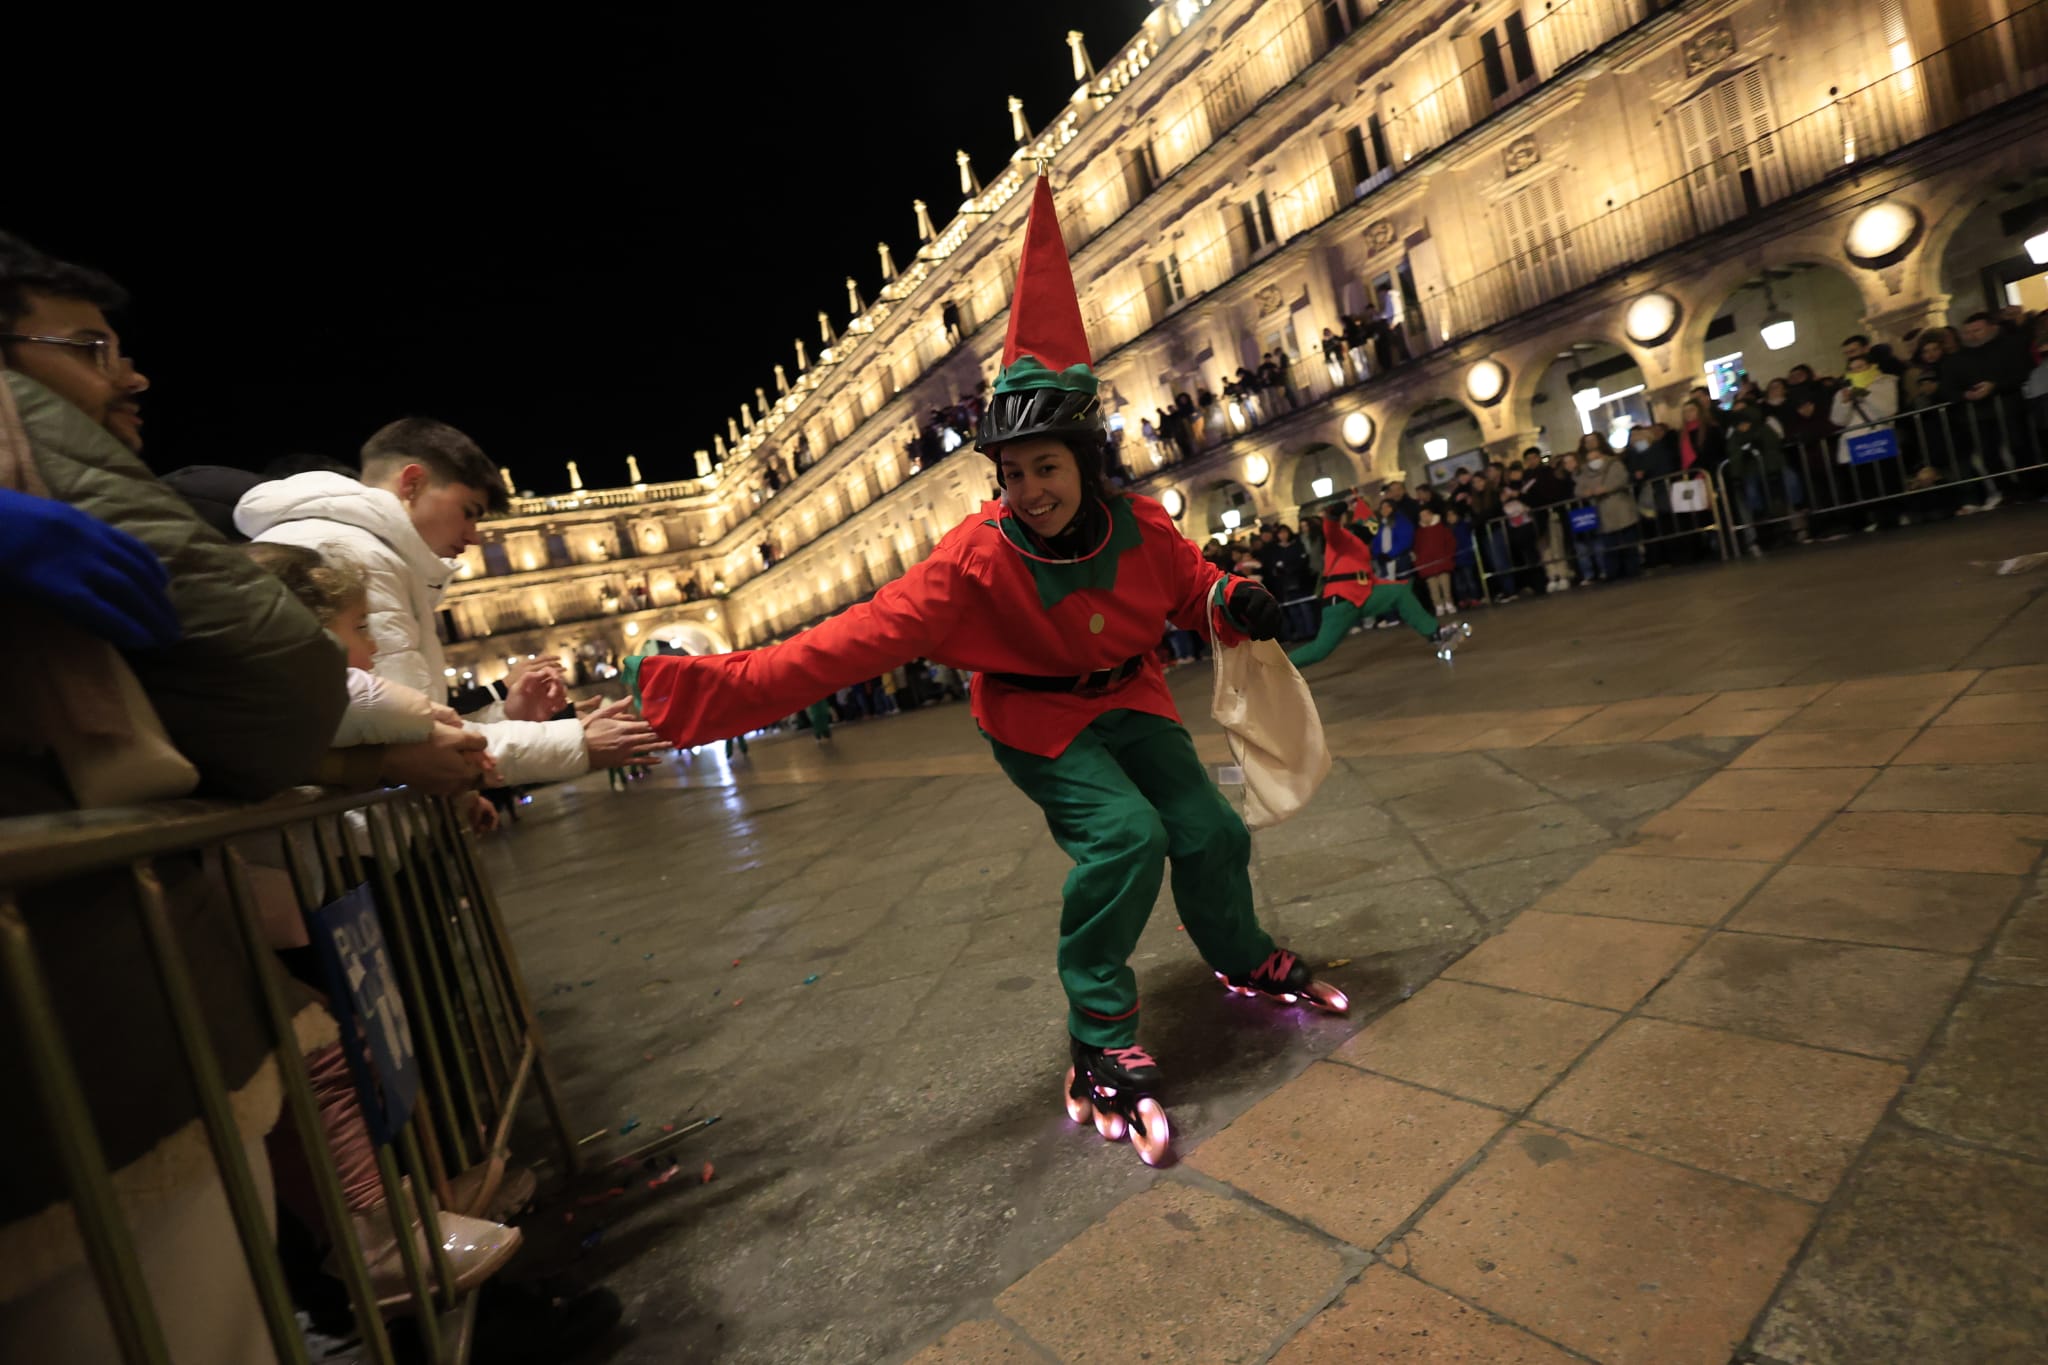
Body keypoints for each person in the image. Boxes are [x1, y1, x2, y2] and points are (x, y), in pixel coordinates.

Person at [631, 179, 1346, 1167]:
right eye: (1008, 475)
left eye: (1043, 468)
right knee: (1126, 837)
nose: (1026, 491)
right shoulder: (972, 561)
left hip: (1127, 696)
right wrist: (693, 692)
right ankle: (1098, 1040)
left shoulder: (1140, 525)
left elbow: (1191, 593)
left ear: (1083, 464)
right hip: (1038, 722)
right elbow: (834, 649)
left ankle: (1237, 956)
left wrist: (1235, 601)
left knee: (1208, 826)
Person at [1, 232, 356, 1365]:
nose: (131, 375)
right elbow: (267, 670)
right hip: (77, 1012)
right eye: (93, 347)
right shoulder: (29, 438)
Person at [235, 419, 664, 786]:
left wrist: (510, 714)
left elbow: (411, 724)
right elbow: (409, 743)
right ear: (413, 483)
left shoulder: (377, 555)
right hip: (351, 852)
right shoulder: (358, 555)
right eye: (469, 511)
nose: (475, 536)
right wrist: (574, 742)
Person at [1287, 490, 1466, 666]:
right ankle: (1274, 668)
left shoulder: (1363, 549)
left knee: (1399, 593)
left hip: (1360, 598)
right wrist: (1333, 516)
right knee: (1320, 650)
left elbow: (1369, 580)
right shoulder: (1346, 539)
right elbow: (1332, 532)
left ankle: (1435, 633)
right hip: (1340, 602)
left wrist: (1399, 585)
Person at [1830, 354, 1903, 531]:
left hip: (1878, 436)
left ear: (1870, 366)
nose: (1857, 371)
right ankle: (1875, 518)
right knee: (1865, 483)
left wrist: (1865, 393)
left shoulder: (1884, 382)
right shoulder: (1842, 391)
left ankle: (1894, 515)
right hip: (1857, 442)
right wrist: (1845, 402)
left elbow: (1888, 409)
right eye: (1852, 368)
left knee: (1887, 479)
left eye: (1860, 367)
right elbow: (1838, 419)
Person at [1575, 436, 1640, 580]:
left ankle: (1632, 569)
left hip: (1620, 508)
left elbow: (1621, 479)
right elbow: (1579, 488)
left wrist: (1605, 488)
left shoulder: (1614, 464)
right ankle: (1614, 572)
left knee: (1628, 542)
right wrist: (1586, 492)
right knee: (1609, 545)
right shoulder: (1584, 470)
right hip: (1602, 512)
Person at [1412, 505, 1457, 617]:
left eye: (1426, 515)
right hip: (1427, 565)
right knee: (1433, 588)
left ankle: (1448, 602)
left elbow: (1450, 543)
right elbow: (1417, 549)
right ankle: (1438, 605)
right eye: (1422, 516)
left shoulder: (1442, 528)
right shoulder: (1419, 533)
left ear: (1432, 515)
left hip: (1443, 562)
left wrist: (1448, 556)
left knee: (1445, 585)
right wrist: (1419, 562)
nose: (1424, 518)